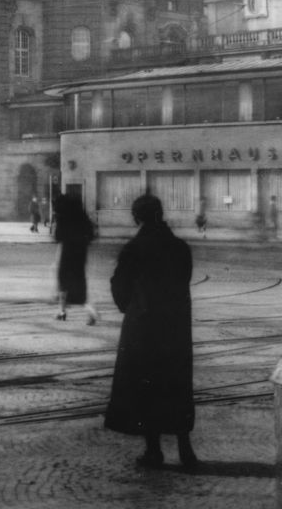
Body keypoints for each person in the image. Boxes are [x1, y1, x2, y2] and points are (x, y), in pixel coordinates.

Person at [104, 194, 198, 471]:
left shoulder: (134, 248)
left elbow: (119, 285)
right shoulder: (180, 248)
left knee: (147, 386)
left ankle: (153, 450)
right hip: (176, 327)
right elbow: (184, 281)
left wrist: (131, 308)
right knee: (177, 384)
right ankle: (185, 448)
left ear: (137, 217)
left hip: (143, 327)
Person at [53, 193, 98, 324]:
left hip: (66, 254)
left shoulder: (63, 218)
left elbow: (57, 237)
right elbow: (90, 235)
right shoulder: (83, 218)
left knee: (63, 284)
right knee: (79, 286)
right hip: (80, 256)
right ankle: (64, 312)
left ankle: (63, 312)